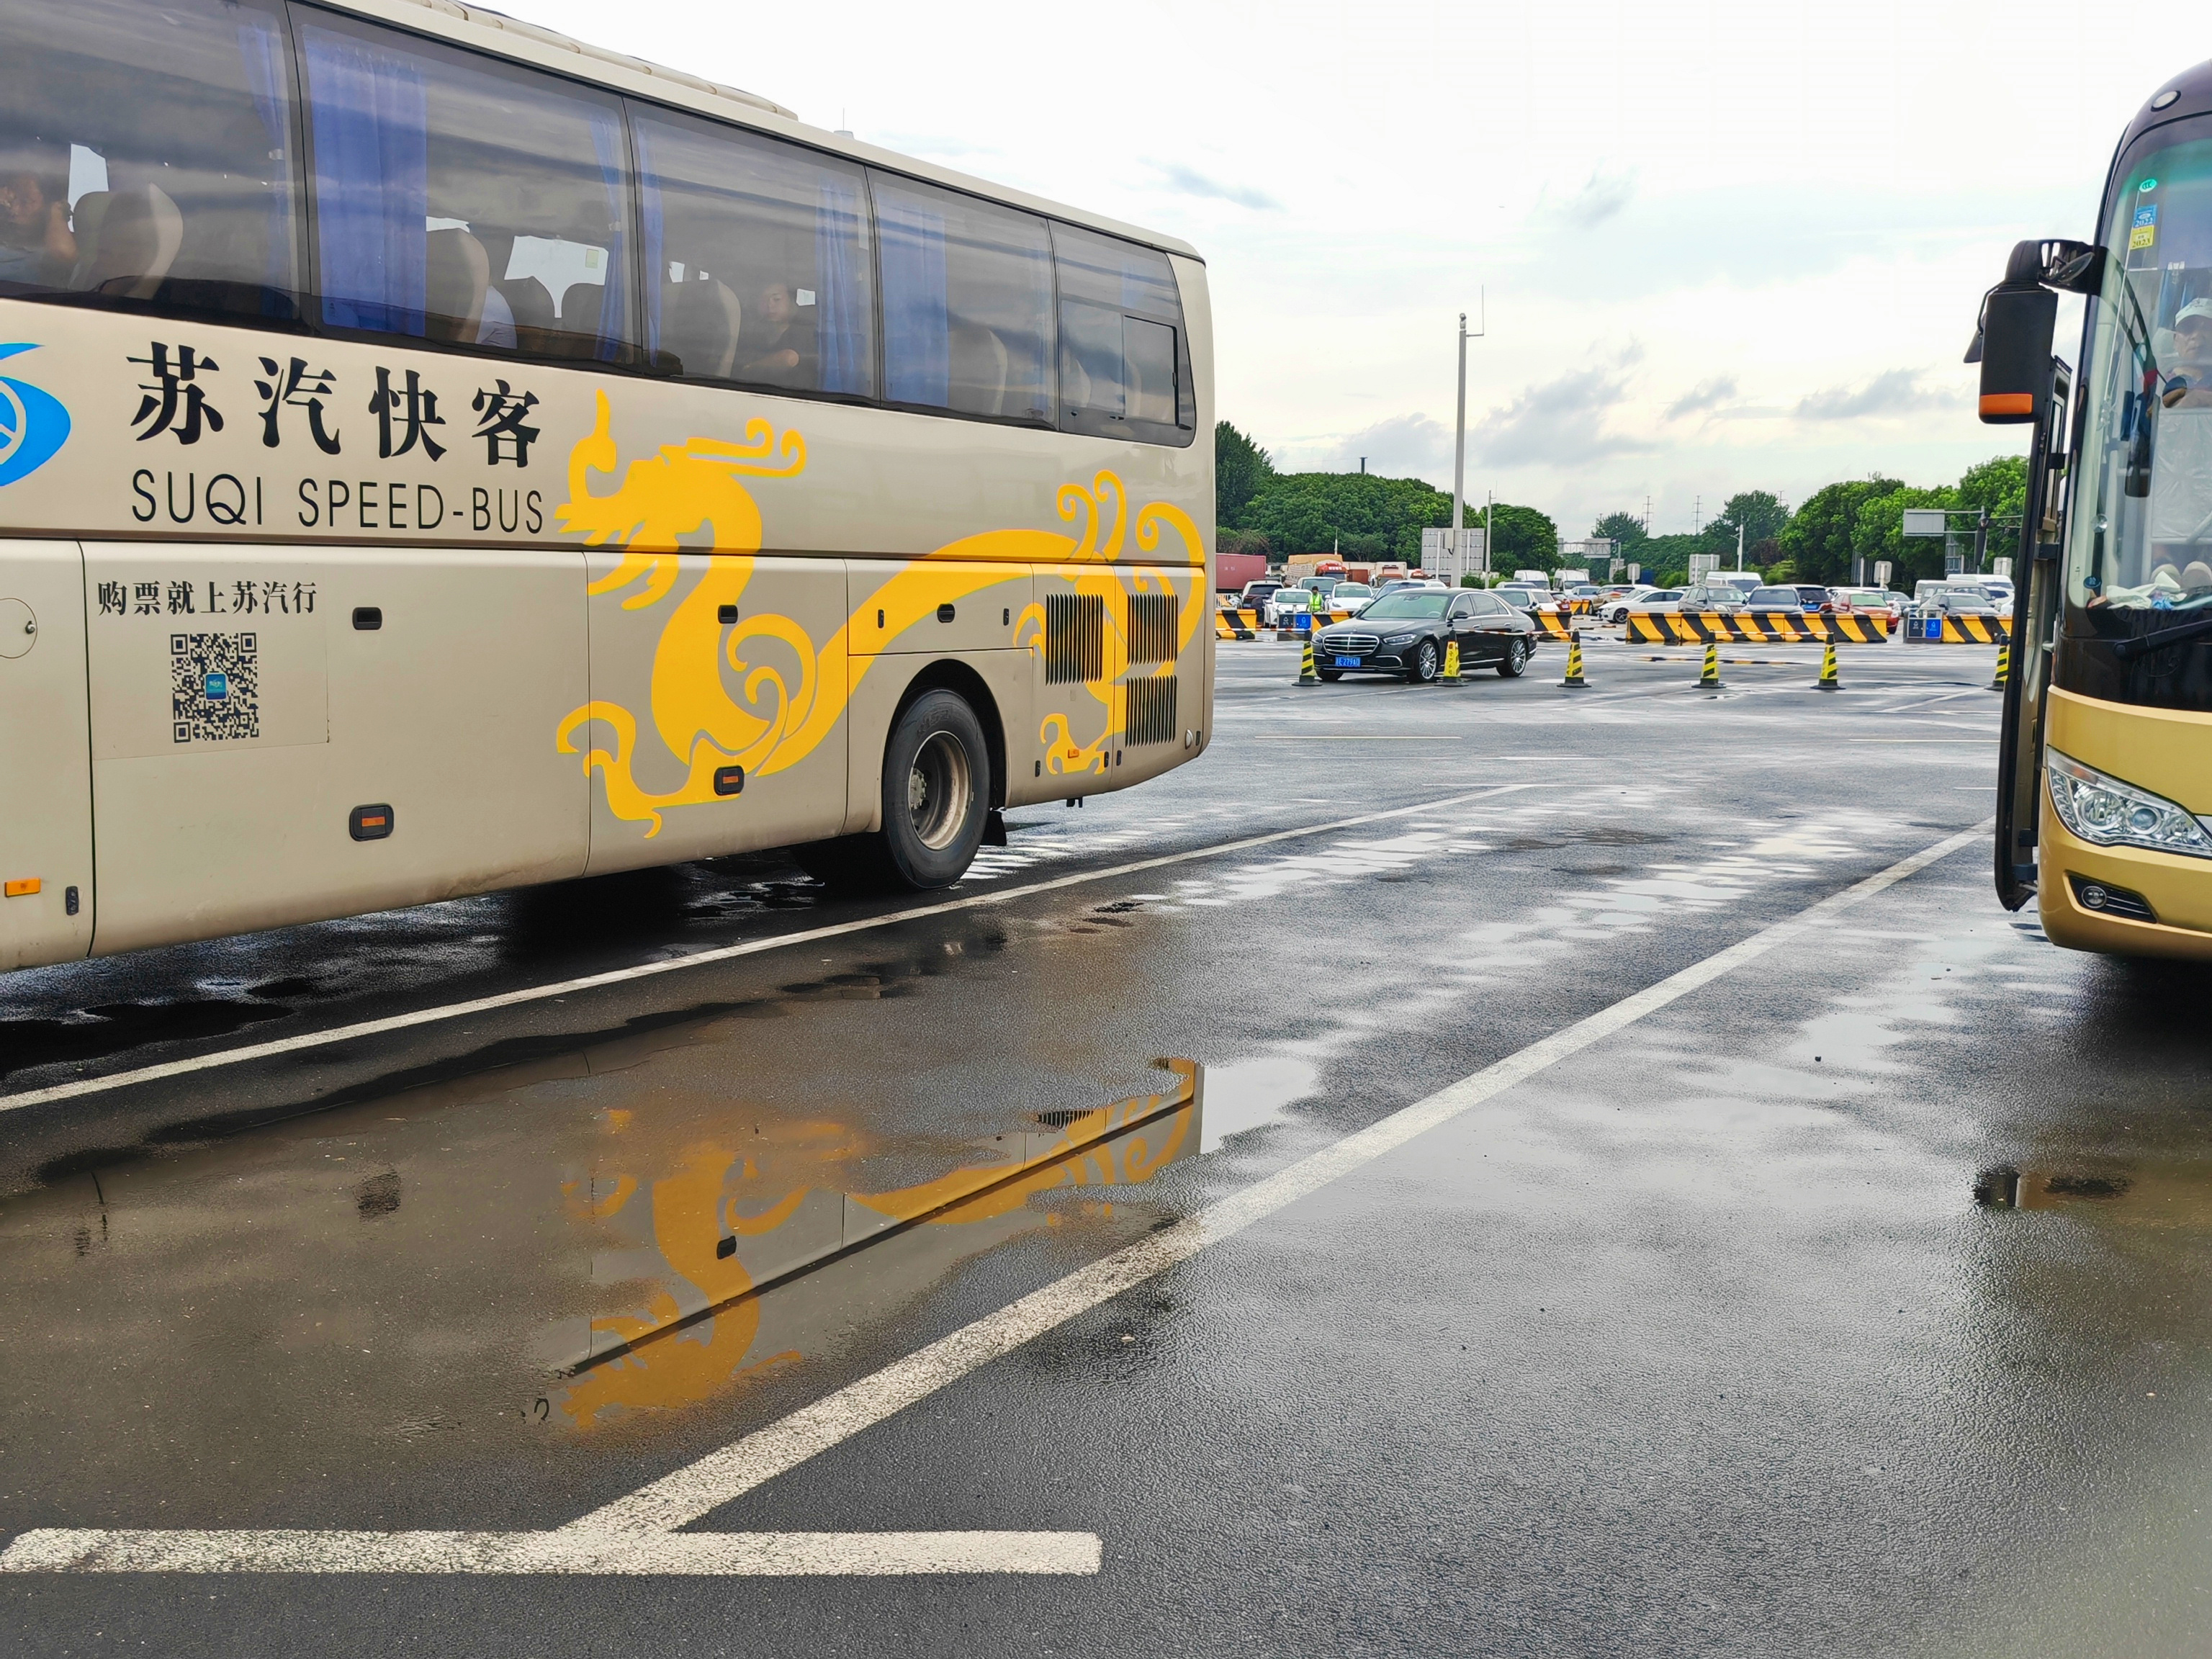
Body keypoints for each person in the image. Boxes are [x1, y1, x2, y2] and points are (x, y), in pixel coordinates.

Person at [0, 171, 74, 287]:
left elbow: (63, 254)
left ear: (48, 205)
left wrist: (56, 210)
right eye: (12, 200)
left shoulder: (52, 248)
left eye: (26, 202)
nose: (14, 209)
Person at [739, 280, 815, 387]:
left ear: (790, 303)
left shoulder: (804, 332)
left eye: (777, 299)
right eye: (764, 300)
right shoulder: (752, 337)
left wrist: (751, 367)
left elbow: (789, 358)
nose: (770, 305)